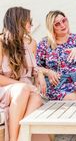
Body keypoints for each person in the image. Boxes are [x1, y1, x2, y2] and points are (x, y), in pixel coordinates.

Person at [0, 7, 48, 141]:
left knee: (37, 98)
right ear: (19, 22)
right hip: (6, 90)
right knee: (23, 89)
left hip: (25, 91)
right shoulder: (1, 43)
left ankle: (22, 138)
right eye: (29, 21)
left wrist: (39, 75)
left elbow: (34, 68)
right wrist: (22, 85)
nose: (31, 24)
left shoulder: (28, 45)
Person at [36, 10, 76, 102]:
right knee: (73, 101)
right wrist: (48, 71)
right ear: (51, 27)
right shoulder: (44, 44)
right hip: (59, 82)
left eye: (64, 20)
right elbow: (36, 66)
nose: (62, 25)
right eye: (57, 24)